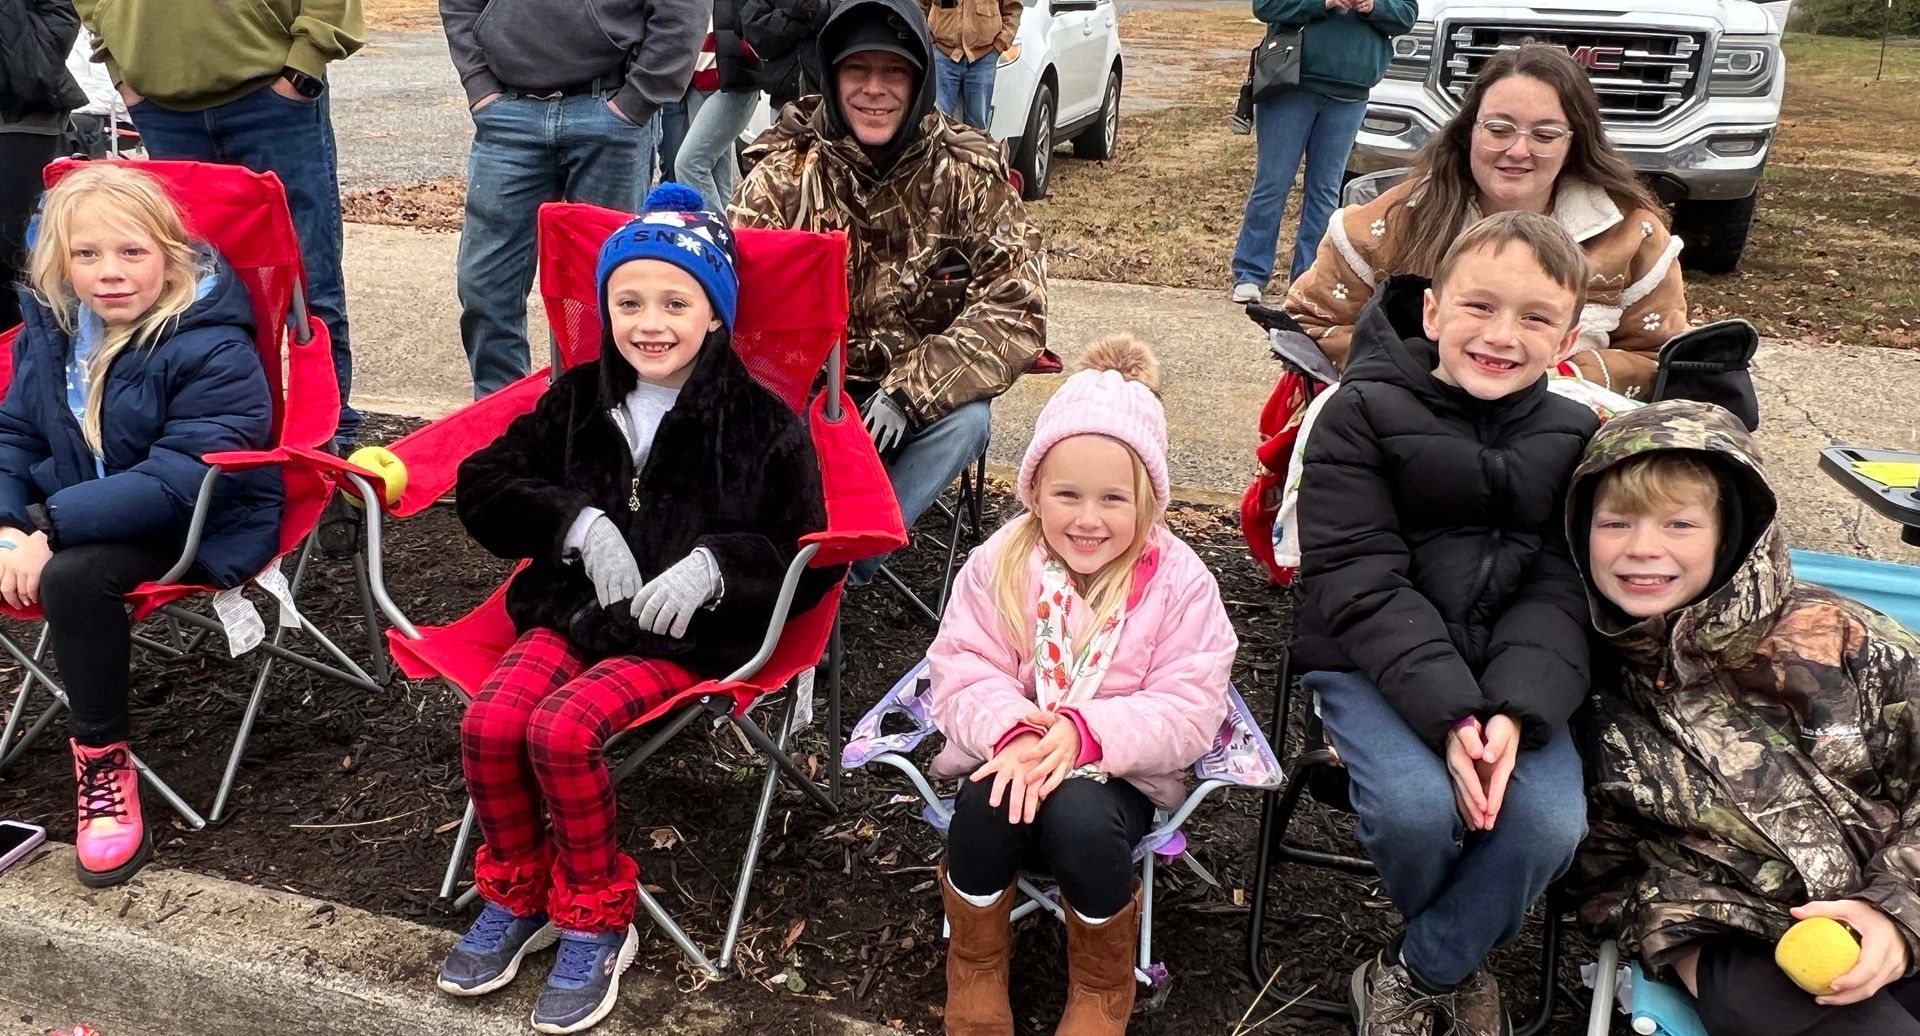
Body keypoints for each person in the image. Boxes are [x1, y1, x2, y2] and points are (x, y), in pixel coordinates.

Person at [437, 185, 835, 1035]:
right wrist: (576, 525)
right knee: (493, 721)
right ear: (605, 309)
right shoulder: (577, 399)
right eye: (629, 302)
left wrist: (719, 567)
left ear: (716, 315)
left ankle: (594, 914)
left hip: (680, 637)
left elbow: (807, 554)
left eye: (675, 303)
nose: (650, 323)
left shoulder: (761, 424)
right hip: (569, 609)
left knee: (561, 730)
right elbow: (484, 484)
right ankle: (519, 890)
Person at [1294, 211, 1600, 1035]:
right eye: (1479, 306)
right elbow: (1358, 574)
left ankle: (1419, 969)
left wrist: (1513, 712)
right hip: (1369, 660)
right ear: (1432, 311)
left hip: (1517, 674)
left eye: (1535, 317)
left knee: (1547, 822)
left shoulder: (1576, 437)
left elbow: (1563, 587)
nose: (1501, 335)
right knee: (1415, 808)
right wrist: (1453, 716)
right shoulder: (1358, 413)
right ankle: (1457, 962)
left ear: (1568, 337)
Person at [1571, 399, 1920, 1036]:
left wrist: (1898, 911)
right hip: (1731, 934)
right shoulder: (1574, 673)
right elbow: (1593, 862)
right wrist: (1672, 930)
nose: (1642, 548)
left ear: (1732, 533)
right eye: (1615, 523)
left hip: (1893, 889)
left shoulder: (1846, 642)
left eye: (1680, 524)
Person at [926, 336, 1235, 1036]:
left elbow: (1190, 705)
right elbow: (962, 665)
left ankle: (1100, 985)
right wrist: (1013, 731)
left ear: (1149, 503)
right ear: (1034, 491)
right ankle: (975, 965)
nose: (1087, 519)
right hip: (1012, 750)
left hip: (1117, 777)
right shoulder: (1001, 562)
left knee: (1078, 813)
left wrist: (1086, 732)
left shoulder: (1181, 583)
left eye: (1113, 499)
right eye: (1067, 495)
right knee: (985, 800)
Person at [0, 164, 282, 888]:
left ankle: (103, 767)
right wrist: (7, 528)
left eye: (132, 251)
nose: (110, 272)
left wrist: (50, 528)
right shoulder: (56, 330)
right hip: (77, 510)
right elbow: (14, 436)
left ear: (171, 253)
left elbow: (183, 476)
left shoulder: (212, 343)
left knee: (73, 578)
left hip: (195, 522)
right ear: (59, 261)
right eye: (86, 254)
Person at [729, 0, 1046, 583]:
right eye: (857, 70)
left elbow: (1017, 303)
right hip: (804, 397)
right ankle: (773, 551)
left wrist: (910, 393)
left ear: (920, 80)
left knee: (969, 423)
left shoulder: (967, 173)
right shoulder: (786, 173)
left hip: (913, 400)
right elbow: (734, 295)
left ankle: (842, 564)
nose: (874, 89)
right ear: (832, 78)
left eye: (894, 72)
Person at [1285, 44, 1689, 402]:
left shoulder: (1630, 234)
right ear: (1468, 130)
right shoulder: (1393, 221)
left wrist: (1562, 380)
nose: (1518, 150)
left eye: (1545, 136)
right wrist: (1426, 375)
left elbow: (1660, 355)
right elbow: (1311, 324)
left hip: (1573, 442)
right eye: (1498, 129)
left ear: (1574, 141)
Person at [73, 0, 364, 447]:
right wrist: (119, 66)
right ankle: (217, 432)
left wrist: (304, 66)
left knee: (309, 280)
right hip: (161, 106)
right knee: (189, 287)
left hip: (272, 96)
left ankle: (327, 438)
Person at [440, 0, 706, 398]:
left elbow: (682, 11)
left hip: (610, 112)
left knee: (605, 291)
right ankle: (503, 416)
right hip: (509, 115)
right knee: (486, 286)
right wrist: (479, 85)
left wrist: (639, 99)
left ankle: (595, 414)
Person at [1228, 0, 1414, 306]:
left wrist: (1374, 6)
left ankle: (1309, 280)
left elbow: (1406, 14)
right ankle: (1250, 273)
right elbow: (1266, 6)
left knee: (1325, 191)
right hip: (1290, 85)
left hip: (1351, 93)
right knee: (1272, 183)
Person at [676, 0, 828, 208]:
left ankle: (714, 226)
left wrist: (743, 50)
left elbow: (755, 25)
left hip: (735, 82)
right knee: (715, 174)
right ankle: (728, 223)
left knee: (689, 164)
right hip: (697, 81)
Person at [0, 0, 85, 330]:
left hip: (21, 114)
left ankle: (24, 345)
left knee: (15, 250)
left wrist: (34, 60)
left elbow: (64, 11)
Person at [921, 0, 1020, 129]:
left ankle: (975, 143)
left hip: (983, 57)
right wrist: (927, 38)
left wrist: (1000, 44)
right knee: (936, 121)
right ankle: (938, 142)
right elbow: (919, 5)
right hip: (943, 53)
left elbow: (1013, 9)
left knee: (977, 125)